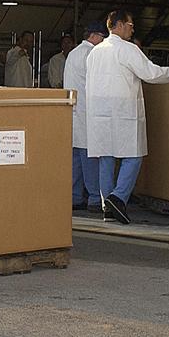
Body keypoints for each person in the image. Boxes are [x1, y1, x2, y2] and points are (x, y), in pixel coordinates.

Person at [86, 10, 169, 224]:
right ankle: (118, 197)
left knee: (106, 157)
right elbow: (151, 73)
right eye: (131, 25)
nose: (132, 29)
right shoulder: (128, 49)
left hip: (100, 113)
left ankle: (108, 208)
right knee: (134, 155)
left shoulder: (95, 52)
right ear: (120, 25)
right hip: (124, 112)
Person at [63, 22, 106, 213]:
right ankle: (95, 198)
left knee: (76, 158)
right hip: (87, 112)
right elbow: (98, 83)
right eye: (102, 38)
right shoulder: (91, 54)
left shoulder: (73, 53)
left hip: (73, 111)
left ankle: (75, 196)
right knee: (90, 158)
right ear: (95, 36)